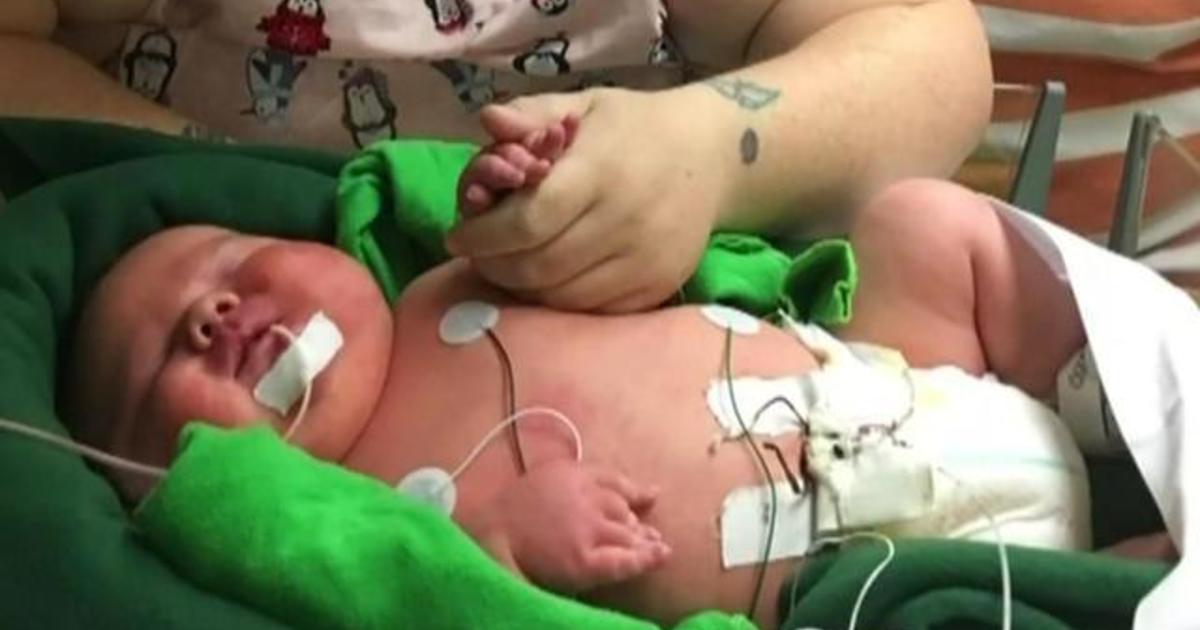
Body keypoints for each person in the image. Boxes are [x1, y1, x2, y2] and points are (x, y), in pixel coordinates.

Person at [68, 167, 1091, 627]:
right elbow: (442, 603)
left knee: (918, 226)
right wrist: (502, 545)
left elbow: (651, 263)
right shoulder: (363, 522)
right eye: (153, 361)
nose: (212, 313)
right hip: (876, 589)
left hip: (912, 371)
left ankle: (1114, 394)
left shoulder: (442, 280)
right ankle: (1127, 582)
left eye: (231, 259)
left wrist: (536, 204)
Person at [0, 0, 994, 311]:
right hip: (198, 287)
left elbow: (928, 50)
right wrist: (236, 188)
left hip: (611, 330)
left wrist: (714, 148)